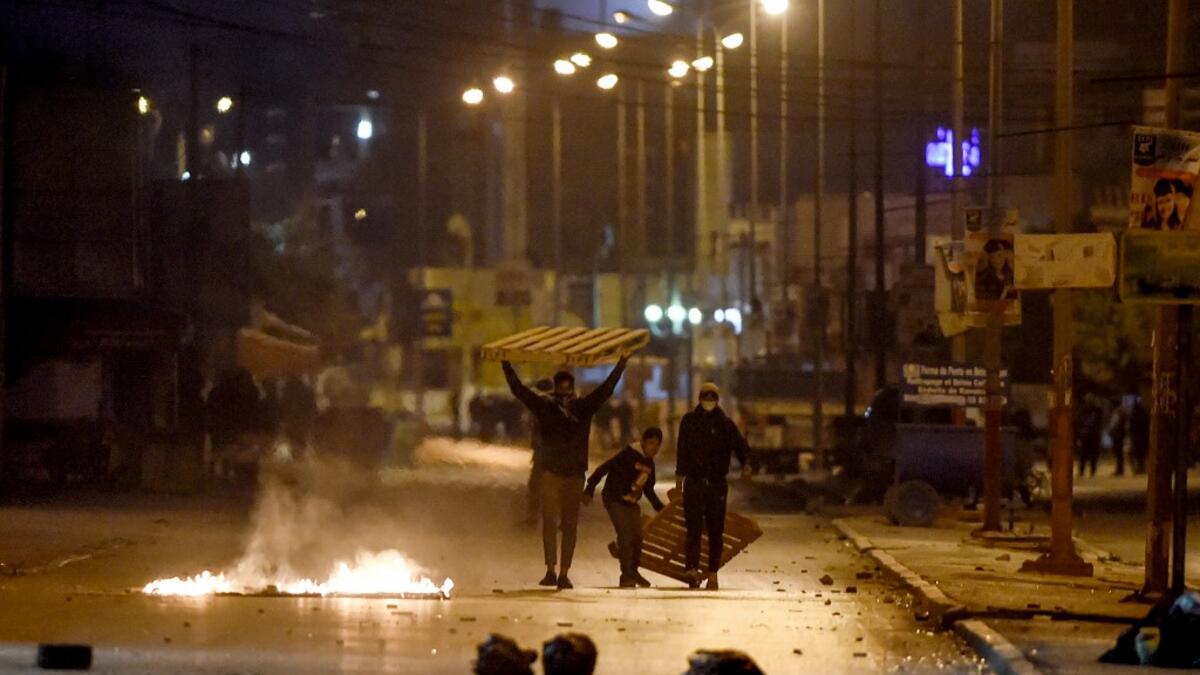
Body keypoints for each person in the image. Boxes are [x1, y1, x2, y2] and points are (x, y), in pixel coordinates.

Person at [502, 354, 630, 590]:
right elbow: (519, 391)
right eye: (561, 391)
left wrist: (621, 364)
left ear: (571, 389)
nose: (564, 395)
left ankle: (560, 572)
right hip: (555, 473)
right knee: (553, 523)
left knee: (566, 525)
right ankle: (554, 571)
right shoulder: (555, 408)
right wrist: (506, 365)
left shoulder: (576, 408)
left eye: (566, 391)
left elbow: (606, 389)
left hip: (569, 475)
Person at [675, 382, 751, 590]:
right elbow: (682, 450)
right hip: (694, 482)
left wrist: (747, 465)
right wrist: (679, 478)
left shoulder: (726, 424)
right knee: (693, 528)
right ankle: (691, 568)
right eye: (706, 397)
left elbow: (740, 446)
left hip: (717, 484)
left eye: (712, 397)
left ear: (717, 400)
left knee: (716, 531)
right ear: (700, 398)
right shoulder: (689, 422)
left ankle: (712, 573)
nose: (709, 401)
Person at [583, 427, 666, 588]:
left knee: (637, 538)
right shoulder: (628, 455)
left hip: (631, 502)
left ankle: (633, 571)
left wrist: (660, 509)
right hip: (614, 499)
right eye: (651, 443)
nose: (654, 448)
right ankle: (626, 576)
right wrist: (589, 488)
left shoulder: (649, 464)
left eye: (657, 445)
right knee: (625, 534)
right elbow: (604, 468)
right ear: (643, 442)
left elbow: (648, 490)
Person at [522, 379, 554, 527]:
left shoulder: (544, 405)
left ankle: (534, 518)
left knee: (537, 485)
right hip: (551, 452)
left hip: (545, 452)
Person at [1076, 393, 1104, 477]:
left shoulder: (1097, 409)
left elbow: (1100, 419)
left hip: (1093, 434)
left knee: (1093, 455)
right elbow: (1079, 421)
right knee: (1083, 454)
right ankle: (1082, 471)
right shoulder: (1083, 409)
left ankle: (1092, 470)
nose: (1089, 400)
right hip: (1085, 434)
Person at [1107, 397, 1129, 477]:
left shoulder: (1118, 412)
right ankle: (1119, 468)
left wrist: (1111, 431)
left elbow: (1116, 424)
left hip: (1118, 435)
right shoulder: (1120, 411)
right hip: (1118, 434)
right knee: (1118, 452)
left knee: (1118, 452)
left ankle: (1119, 469)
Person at [1130, 395, 1151, 475]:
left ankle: (1140, 468)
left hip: (1138, 436)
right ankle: (1140, 468)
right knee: (1140, 453)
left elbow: (1132, 425)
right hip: (1141, 436)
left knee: (1138, 453)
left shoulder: (1135, 413)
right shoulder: (1143, 412)